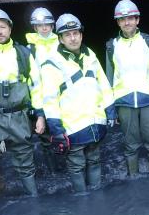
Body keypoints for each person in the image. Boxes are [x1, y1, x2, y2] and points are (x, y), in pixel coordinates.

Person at [41, 14, 115, 192]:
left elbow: (103, 84)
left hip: (95, 123)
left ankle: (95, 198)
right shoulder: (51, 63)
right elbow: (49, 99)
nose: (73, 38)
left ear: (81, 35)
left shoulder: (90, 55)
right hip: (72, 128)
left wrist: (110, 111)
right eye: (67, 34)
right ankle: (82, 201)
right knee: (76, 165)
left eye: (76, 33)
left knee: (95, 160)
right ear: (60, 38)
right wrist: (57, 130)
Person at [0, 7, 45, 196]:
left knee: (26, 163)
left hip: (19, 116)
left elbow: (36, 86)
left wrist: (40, 115)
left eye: (2, 26)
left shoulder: (24, 54)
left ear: (10, 28)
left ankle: (34, 202)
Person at [105, 0, 149, 175]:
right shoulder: (112, 46)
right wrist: (111, 109)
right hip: (125, 102)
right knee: (130, 145)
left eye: (131, 18)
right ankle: (132, 178)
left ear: (137, 20)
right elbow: (109, 80)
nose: (127, 22)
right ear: (118, 22)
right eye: (122, 19)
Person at [25, 7, 61, 173]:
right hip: (43, 101)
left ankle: (72, 173)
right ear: (35, 28)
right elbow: (33, 82)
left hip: (65, 100)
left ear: (53, 25)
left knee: (70, 138)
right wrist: (39, 111)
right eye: (40, 25)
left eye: (47, 23)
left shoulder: (63, 41)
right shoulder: (29, 49)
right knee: (47, 141)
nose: (44, 27)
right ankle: (55, 176)